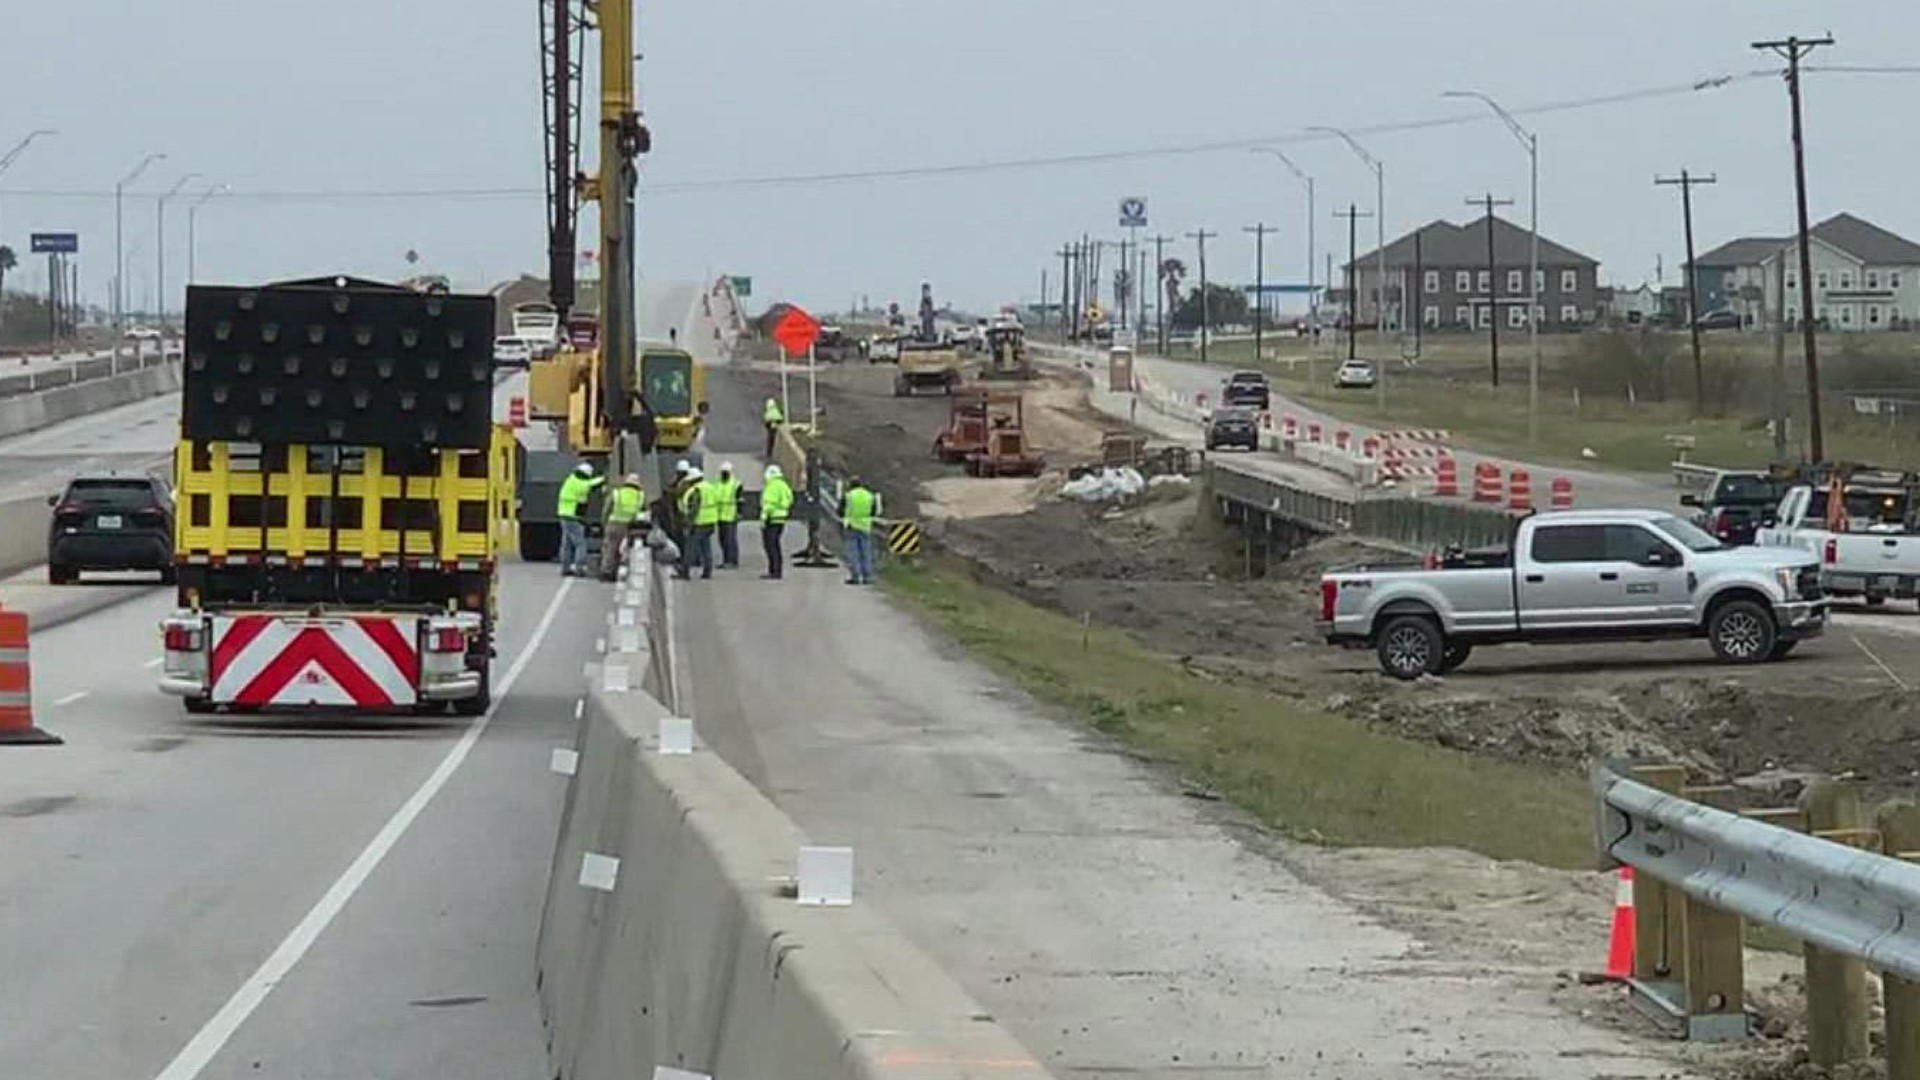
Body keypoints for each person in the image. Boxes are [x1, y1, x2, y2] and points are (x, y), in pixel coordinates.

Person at [556, 461, 605, 577]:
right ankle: (580, 568)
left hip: (564, 514)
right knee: (580, 543)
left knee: (567, 543)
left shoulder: (571, 479)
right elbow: (590, 485)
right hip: (573, 516)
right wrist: (604, 478)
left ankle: (565, 567)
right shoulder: (580, 484)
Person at [600, 473, 646, 580]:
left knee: (610, 549)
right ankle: (624, 572)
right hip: (630, 527)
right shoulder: (640, 495)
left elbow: (607, 509)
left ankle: (608, 572)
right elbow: (643, 512)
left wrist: (604, 522)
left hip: (614, 523)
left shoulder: (617, 493)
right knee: (625, 550)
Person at [678, 466, 719, 580]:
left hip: (698, 522)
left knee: (691, 547)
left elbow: (694, 509)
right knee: (706, 547)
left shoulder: (696, 490)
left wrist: (688, 523)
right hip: (710, 521)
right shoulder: (710, 487)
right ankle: (707, 571)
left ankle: (685, 571)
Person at [840, 475, 881, 585]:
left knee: (853, 553)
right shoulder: (869, 496)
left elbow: (840, 511)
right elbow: (874, 512)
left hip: (851, 525)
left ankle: (856, 576)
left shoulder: (848, 496)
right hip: (866, 526)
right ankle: (868, 576)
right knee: (866, 552)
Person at [760, 463, 794, 580]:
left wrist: (763, 519)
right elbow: (789, 500)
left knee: (770, 546)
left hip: (772, 519)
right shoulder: (784, 486)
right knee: (776, 545)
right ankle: (777, 570)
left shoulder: (772, 486)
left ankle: (774, 571)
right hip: (781, 519)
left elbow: (768, 504)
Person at [713, 461, 743, 569]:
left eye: (726, 472)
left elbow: (740, 500)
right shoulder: (717, 484)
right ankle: (726, 560)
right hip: (720, 516)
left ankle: (732, 561)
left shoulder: (736, 484)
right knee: (722, 540)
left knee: (730, 540)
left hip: (731, 516)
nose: (724, 474)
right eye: (723, 472)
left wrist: (739, 513)